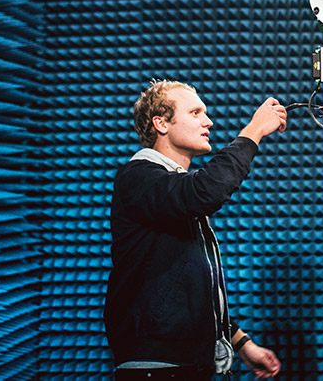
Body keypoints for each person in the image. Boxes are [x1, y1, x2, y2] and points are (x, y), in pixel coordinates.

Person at [104, 79, 285, 380]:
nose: (209, 121)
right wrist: (253, 131)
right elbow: (206, 191)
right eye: (196, 112)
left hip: (187, 366)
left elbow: (191, 286)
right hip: (157, 368)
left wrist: (241, 343)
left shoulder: (174, 192)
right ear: (161, 123)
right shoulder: (138, 178)